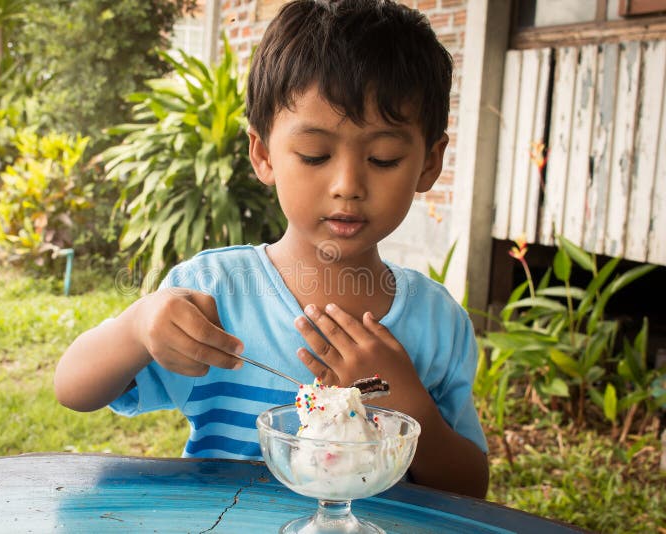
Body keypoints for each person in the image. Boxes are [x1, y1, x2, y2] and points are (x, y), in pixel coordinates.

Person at [55, 0, 489, 498]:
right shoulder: (214, 294)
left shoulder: (437, 324)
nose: (347, 184)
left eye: (383, 158)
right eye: (315, 155)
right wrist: (137, 326)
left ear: (429, 164)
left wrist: (411, 407)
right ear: (263, 154)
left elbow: (470, 490)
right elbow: (73, 389)